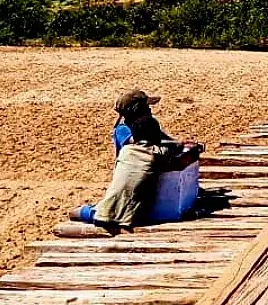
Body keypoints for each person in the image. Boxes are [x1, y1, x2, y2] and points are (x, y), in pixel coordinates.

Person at [71, 90, 200, 232]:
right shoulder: (124, 131)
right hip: (130, 184)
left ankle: (87, 211)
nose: (150, 108)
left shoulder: (144, 127)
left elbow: (164, 141)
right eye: (146, 106)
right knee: (106, 208)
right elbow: (144, 145)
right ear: (138, 109)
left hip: (129, 183)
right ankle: (80, 212)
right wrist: (175, 146)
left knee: (111, 205)